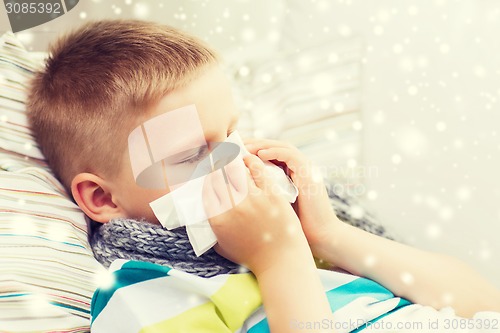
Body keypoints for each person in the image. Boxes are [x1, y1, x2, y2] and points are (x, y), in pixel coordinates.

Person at [27, 19, 500, 333]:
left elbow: (484, 305)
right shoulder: (143, 296)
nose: (231, 159)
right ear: (102, 198)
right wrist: (276, 260)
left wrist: (327, 234)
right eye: (192, 153)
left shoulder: (297, 230)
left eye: (232, 131)